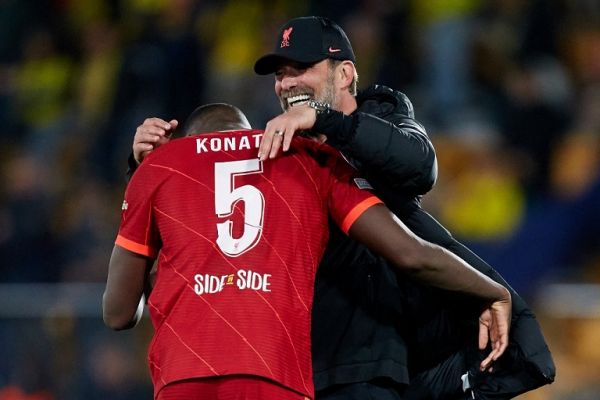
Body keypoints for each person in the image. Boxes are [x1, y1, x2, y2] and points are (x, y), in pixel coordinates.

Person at [128, 17, 555, 399]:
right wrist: (159, 164)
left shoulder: (385, 116)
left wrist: (325, 121)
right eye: (280, 74)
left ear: (345, 72)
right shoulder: (283, 148)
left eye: (302, 69)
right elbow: (215, 237)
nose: (286, 83)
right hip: (289, 366)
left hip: (368, 364)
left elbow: (419, 168)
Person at [105, 103, 511, 400]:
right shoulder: (304, 159)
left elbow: (119, 313)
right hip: (274, 378)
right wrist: (493, 290)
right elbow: (412, 254)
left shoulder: (158, 167)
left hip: (182, 378)